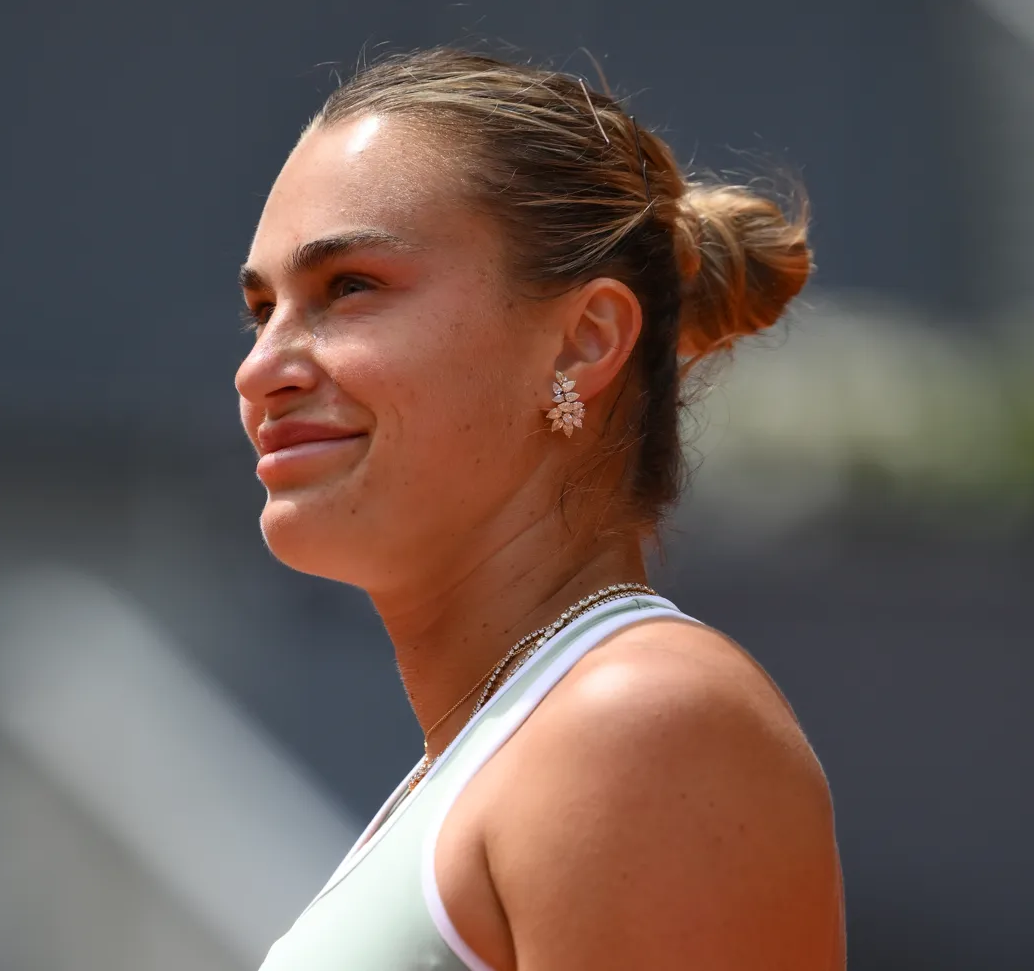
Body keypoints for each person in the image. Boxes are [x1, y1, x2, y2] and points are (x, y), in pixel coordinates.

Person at [235, 47, 845, 971]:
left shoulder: (639, 720)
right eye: (262, 310)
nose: (261, 369)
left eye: (349, 287)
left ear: (584, 341)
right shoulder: (504, 748)